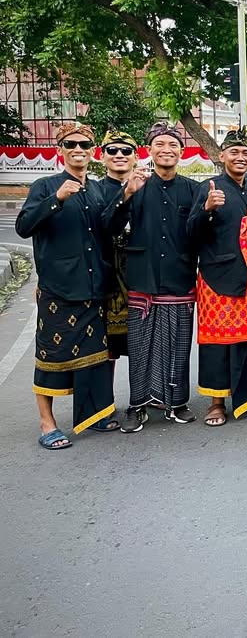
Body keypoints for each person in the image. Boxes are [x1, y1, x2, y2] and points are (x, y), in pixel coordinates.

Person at [17, 122, 117, 448]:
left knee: (96, 357)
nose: (78, 150)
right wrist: (56, 199)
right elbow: (23, 226)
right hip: (58, 289)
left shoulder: (98, 190)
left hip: (93, 287)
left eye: (84, 145)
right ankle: (47, 423)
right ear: (60, 150)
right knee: (51, 356)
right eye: (71, 144)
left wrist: (127, 195)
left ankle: (95, 414)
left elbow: (108, 232)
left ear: (92, 151)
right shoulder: (45, 186)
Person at [107, 122, 200, 432]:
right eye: (160, 144)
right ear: (149, 151)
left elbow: (200, 232)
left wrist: (208, 211)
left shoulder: (193, 189)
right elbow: (110, 225)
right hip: (143, 279)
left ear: (181, 152)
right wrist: (126, 194)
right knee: (140, 347)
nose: (166, 150)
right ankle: (137, 405)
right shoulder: (136, 185)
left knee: (178, 347)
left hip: (179, 277)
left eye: (173, 145)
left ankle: (178, 402)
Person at [188, 129, 247, 425]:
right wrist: (206, 209)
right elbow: (191, 233)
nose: (240, 157)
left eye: (245, 152)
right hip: (218, 279)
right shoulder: (209, 187)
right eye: (234, 152)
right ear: (222, 155)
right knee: (219, 343)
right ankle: (216, 403)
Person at [99, 130, 139, 370]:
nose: (119, 155)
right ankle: (105, 394)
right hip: (107, 281)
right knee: (106, 353)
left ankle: (144, 392)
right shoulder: (93, 191)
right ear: (101, 156)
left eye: (126, 150)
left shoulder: (147, 189)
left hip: (140, 280)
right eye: (112, 150)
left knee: (143, 350)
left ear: (136, 156)